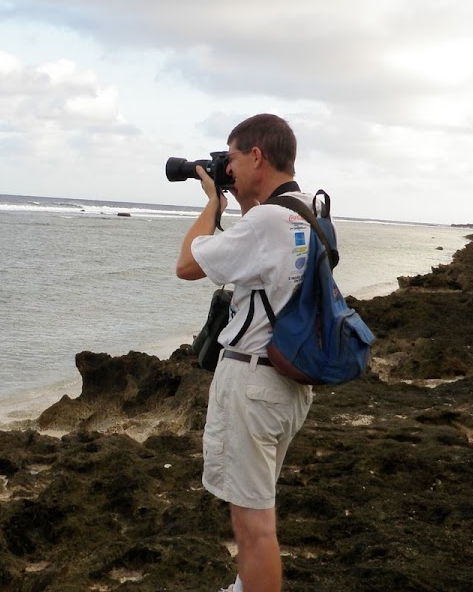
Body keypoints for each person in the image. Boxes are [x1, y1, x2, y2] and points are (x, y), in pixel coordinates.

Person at [176, 113, 314, 592]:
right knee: (258, 512)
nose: (227, 169)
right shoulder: (305, 212)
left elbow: (189, 263)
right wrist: (235, 198)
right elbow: (256, 258)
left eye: (231, 158)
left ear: (257, 155)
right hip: (286, 383)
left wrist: (213, 200)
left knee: (254, 528)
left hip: (254, 384)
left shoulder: (266, 221)